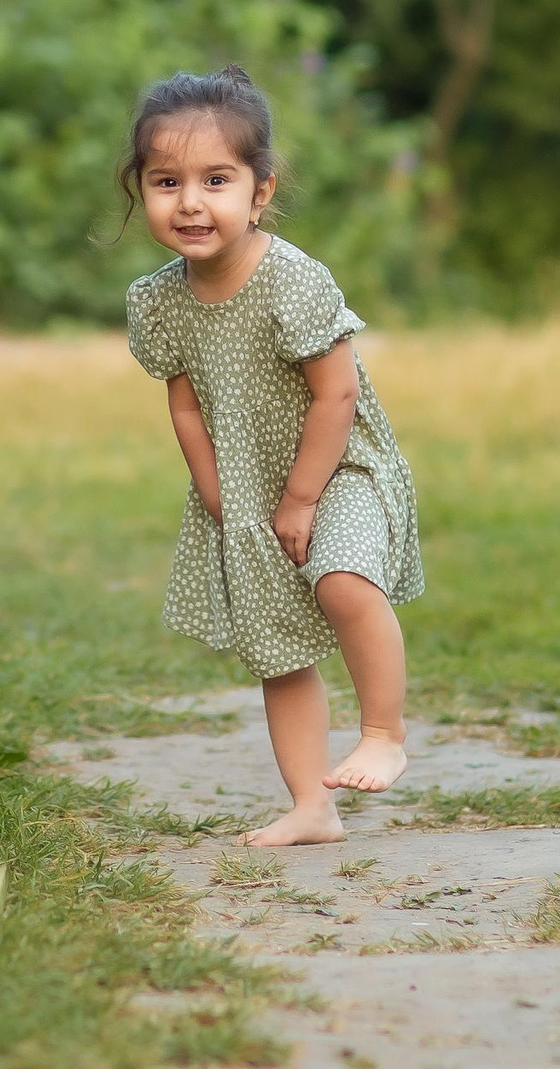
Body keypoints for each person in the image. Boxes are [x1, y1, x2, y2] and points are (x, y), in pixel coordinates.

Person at [121, 65, 425, 847]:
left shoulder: (292, 280)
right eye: (166, 180)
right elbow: (185, 403)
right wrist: (220, 492)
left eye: (216, 179)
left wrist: (299, 499)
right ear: (141, 189)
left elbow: (338, 394)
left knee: (342, 579)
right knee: (279, 647)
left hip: (338, 464)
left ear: (260, 191)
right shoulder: (159, 299)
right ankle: (311, 805)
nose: (190, 201)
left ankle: (384, 730)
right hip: (247, 486)